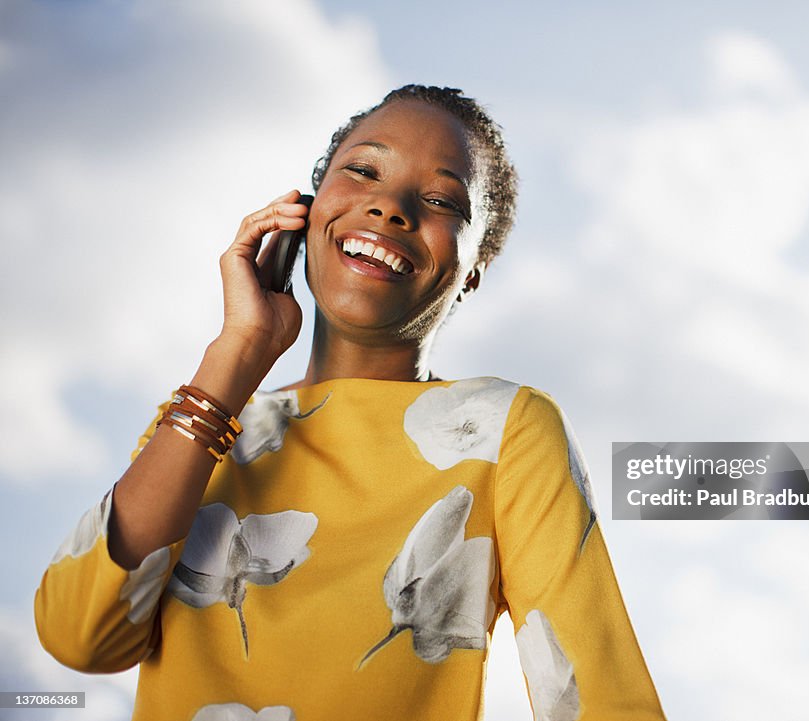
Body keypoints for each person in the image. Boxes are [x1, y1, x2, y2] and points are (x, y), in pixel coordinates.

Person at [35, 85, 666, 721]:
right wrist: (239, 352)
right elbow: (80, 637)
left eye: (442, 200)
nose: (389, 207)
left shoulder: (505, 430)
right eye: (363, 171)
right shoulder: (205, 420)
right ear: (304, 214)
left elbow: (599, 698)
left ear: (475, 268)